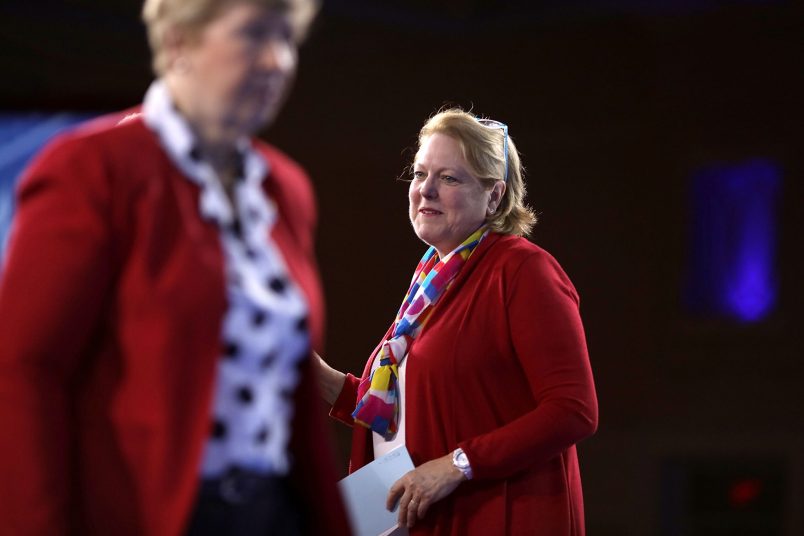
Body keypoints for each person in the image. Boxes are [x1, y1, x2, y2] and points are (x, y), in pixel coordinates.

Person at [0, 0, 350, 535]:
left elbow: (293, 400)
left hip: (270, 513)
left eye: (287, 40)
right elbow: (24, 373)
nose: (278, 61)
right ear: (178, 44)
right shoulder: (93, 169)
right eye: (254, 36)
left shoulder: (285, 189)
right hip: (149, 515)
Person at [317, 108, 598, 535]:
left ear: (494, 196)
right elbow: (413, 410)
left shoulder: (522, 270)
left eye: (449, 178)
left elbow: (574, 410)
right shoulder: (433, 277)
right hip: (426, 521)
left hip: (496, 518)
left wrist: (457, 465)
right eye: (419, 174)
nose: (425, 190)